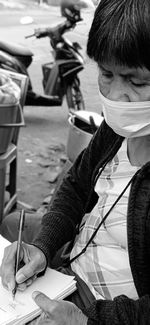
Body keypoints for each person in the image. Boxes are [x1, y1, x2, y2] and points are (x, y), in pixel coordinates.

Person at [1, 0, 150, 323]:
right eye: (106, 74)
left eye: (137, 82)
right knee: (13, 224)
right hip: (73, 264)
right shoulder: (115, 129)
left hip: (109, 307)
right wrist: (43, 247)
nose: (115, 95)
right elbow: (76, 185)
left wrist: (88, 320)